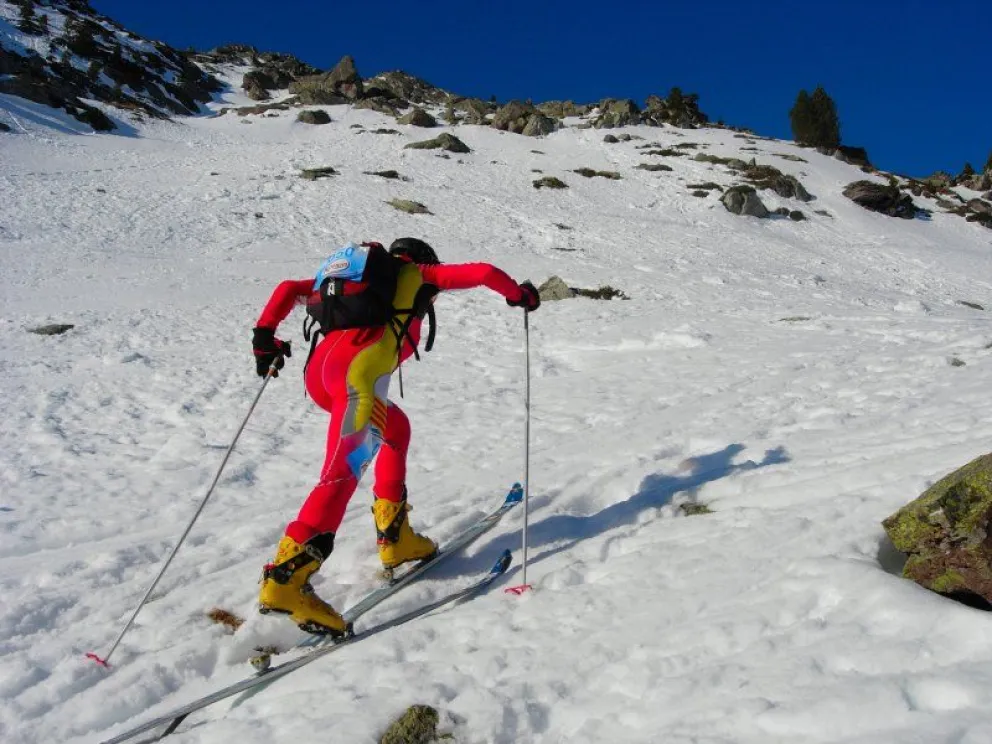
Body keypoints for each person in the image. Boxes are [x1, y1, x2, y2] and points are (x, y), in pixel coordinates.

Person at [251, 237, 540, 635]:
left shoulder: (349, 280)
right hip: (358, 382)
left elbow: (287, 288)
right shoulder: (420, 276)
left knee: (396, 429)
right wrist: (520, 295)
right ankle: (287, 579)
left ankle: (396, 537)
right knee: (340, 475)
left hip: (322, 376)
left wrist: (264, 336)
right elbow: (485, 273)